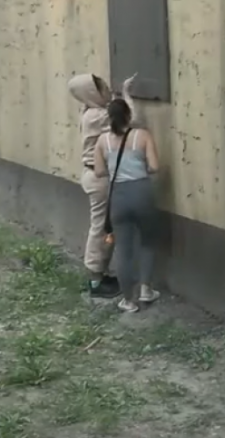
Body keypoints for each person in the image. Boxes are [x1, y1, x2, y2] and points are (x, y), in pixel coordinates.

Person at [67, 72, 138, 298]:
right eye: (102, 89)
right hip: (100, 179)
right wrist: (126, 94)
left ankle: (100, 274)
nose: (107, 91)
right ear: (91, 94)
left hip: (95, 176)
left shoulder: (90, 111)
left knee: (104, 227)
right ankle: (95, 280)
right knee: (101, 228)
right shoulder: (97, 116)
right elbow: (129, 120)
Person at [93, 98, 160, 313]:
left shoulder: (102, 141)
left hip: (119, 196)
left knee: (123, 249)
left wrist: (116, 169)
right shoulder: (143, 135)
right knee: (148, 241)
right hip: (142, 192)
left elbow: (99, 172)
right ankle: (146, 289)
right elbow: (154, 166)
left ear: (109, 118)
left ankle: (128, 300)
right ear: (128, 116)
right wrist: (138, 168)